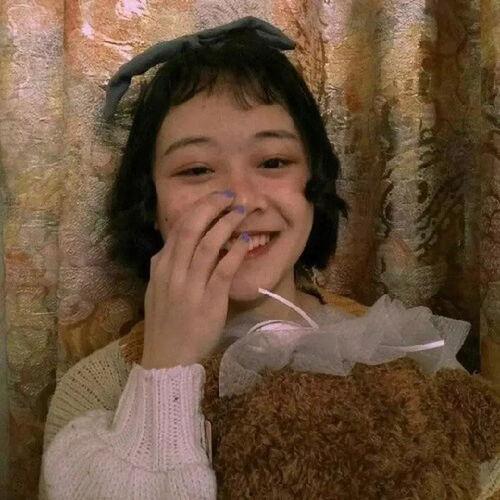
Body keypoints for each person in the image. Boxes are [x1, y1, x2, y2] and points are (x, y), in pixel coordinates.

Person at [38, 17, 497, 499]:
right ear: (151, 203)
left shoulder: (407, 349)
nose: (242, 199)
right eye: (196, 170)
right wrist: (164, 374)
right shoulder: (95, 390)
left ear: (313, 183)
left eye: (274, 162)